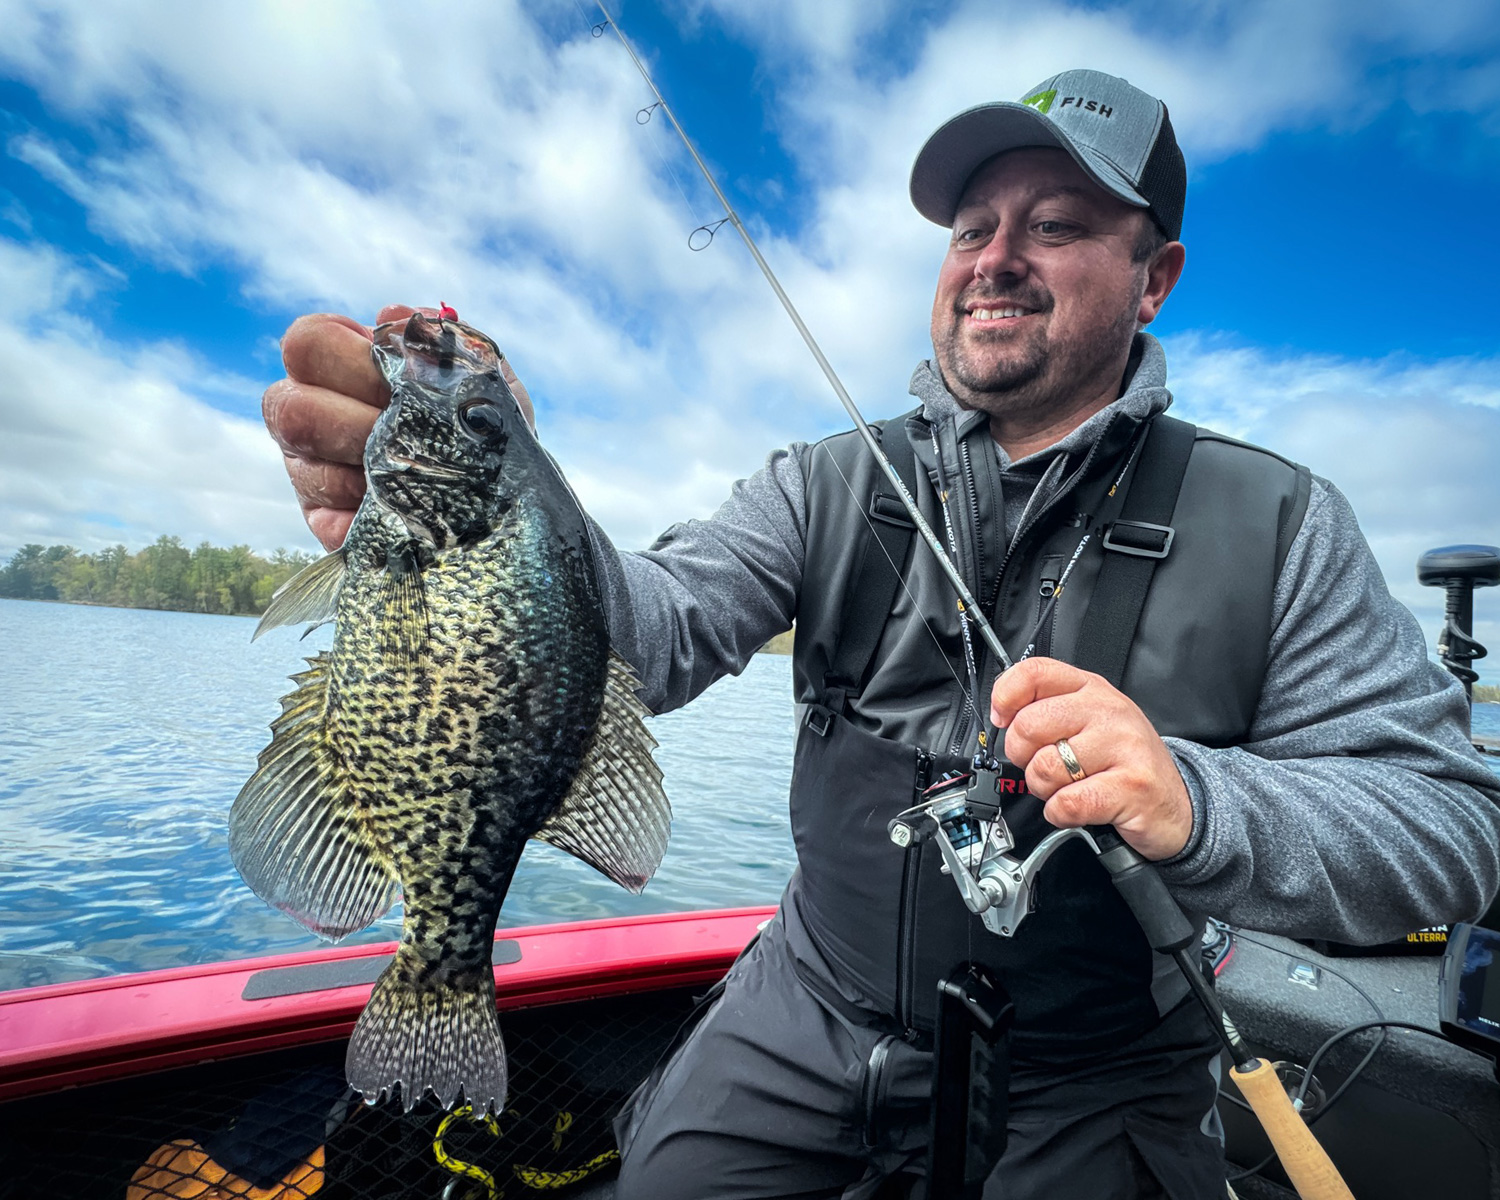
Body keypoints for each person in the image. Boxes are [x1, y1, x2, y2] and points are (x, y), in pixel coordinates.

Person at [263, 69, 1500, 1199]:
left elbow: (1450, 829)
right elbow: (651, 632)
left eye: (1056, 226)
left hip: (1095, 1074)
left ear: (1156, 276)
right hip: (807, 1007)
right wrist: (516, 475)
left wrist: (1202, 802)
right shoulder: (821, 483)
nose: (995, 259)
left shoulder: (1282, 522)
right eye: (972, 230)